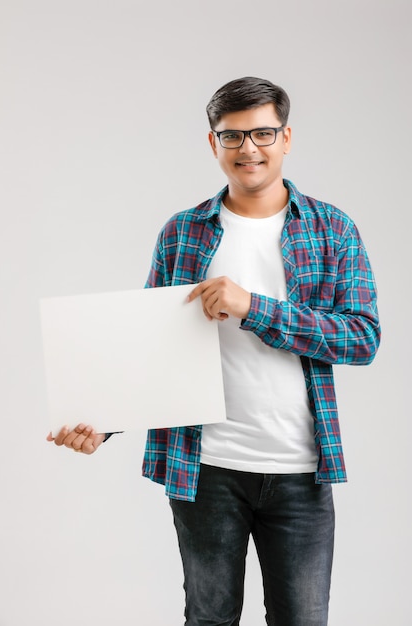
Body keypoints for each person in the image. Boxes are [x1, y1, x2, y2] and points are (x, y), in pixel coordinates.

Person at [47, 76, 381, 626]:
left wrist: (255, 307)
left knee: (303, 619)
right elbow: (147, 345)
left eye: (263, 133)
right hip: (204, 468)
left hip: (299, 469)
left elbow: (362, 338)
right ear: (213, 144)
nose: (249, 148)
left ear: (287, 138)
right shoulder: (182, 233)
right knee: (208, 618)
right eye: (232, 136)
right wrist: (101, 425)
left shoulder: (333, 229)